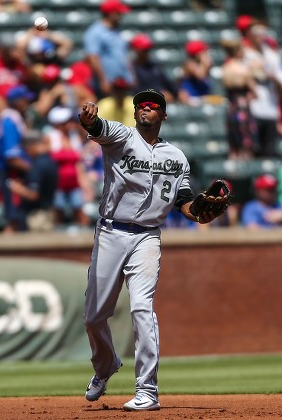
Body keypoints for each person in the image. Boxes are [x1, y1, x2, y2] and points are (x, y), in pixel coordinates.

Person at [78, 89, 218, 411]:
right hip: (111, 232)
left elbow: (184, 202)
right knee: (93, 317)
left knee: (142, 307)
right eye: (140, 105)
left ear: (164, 115)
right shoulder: (122, 137)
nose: (145, 108)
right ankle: (106, 366)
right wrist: (88, 119)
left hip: (147, 237)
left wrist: (197, 212)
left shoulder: (177, 157)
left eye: (153, 105)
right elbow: (97, 127)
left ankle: (147, 390)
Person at [44, 106, 92, 226]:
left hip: (74, 183)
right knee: (57, 214)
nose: (71, 124)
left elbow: (78, 163)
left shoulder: (74, 137)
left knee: (80, 212)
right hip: (57, 184)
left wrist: (85, 184)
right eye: (67, 121)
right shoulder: (50, 137)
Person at [0, 84, 33, 232]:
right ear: (17, 101)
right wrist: (33, 169)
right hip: (11, 174)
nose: (27, 102)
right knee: (13, 218)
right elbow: (12, 157)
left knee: (17, 217)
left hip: (14, 173)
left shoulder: (14, 118)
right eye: (24, 99)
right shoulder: (9, 121)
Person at [242, 21, 282, 157]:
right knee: (254, 147)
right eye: (257, 35)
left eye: (263, 35)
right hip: (253, 106)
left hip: (270, 106)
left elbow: (279, 79)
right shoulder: (246, 54)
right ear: (251, 37)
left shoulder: (271, 55)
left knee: (269, 147)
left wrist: (271, 76)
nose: (261, 38)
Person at [7, 130, 58, 231]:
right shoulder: (51, 162)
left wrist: (17, 188)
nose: (26, 152)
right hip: (49, 213)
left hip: (37, 217)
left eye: (26, 149)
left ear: (32, 146)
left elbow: (33, 195)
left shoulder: (37, 166)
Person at [83, 0, 134, 98]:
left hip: (123, 83)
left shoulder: (117, 30)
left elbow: (123, 55)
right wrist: (103, 80)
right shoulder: (95, 31)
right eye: (118, 13)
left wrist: (130, 76)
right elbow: (93, 57)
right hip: (107, 83)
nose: (121, 15)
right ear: (111, 14)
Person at [220, 37, 257, 159]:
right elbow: (254, 91)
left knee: (234, 142)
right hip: (243, 108)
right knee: (245, 141)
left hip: (232, 108)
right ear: (238, 51)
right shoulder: (244, 69)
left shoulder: (226, 68)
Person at [130, 33, 178, 103]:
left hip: (162, 104)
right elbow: (135, 90)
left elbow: (170, 87)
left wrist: (176, 93)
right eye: (144, 50)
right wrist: (159, 94)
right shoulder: (132, 68)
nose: (147, 52)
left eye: (148, 49)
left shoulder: (156, 67)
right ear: (136, 50)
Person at [178, 40, 213, 106]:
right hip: (191, 98)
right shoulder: (189, 63)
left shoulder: (199, 64)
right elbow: (200, 75)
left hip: (201, 97)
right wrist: (205, 62)